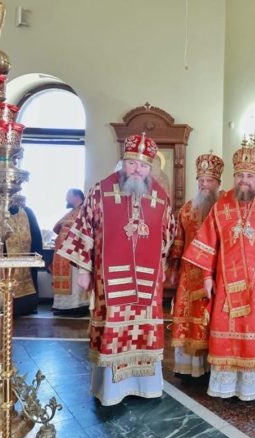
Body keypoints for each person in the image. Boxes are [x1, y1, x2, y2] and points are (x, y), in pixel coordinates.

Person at [56, 133, 176, 406]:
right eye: (133, 163)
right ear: (124, 162)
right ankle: (111, 390)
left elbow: (168, 235)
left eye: (144, 166)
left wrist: (163, 263)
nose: (137, 170)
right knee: (112, 327)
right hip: (108, 279)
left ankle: (146, 386)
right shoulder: (101, 190)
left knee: (144, 329)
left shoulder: (160, 196)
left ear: (150, 168)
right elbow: (84, 227)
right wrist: (84, 269)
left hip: (148, 281)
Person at [182, 140, 255, 401]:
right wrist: (207, 277)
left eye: (249, 176)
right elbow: (208, 242)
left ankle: (253, 387)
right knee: (226, 326)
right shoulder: (222, 205)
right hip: (225, 283)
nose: (244, 180)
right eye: (240, 175)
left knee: (254, 328)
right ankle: (226, 387)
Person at [169, 153, 223, 378]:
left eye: (209, 180)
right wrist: (173, 268)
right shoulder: (186, 209)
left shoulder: (224, 207)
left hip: (217, 272)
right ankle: (189, 367)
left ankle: (211, 366)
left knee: (213, 318)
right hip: (189, 274)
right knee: (189, 317)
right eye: (201, 180)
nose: (204, 185)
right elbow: (178, 241)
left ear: (218, 183)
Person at [51, 188, 89, 315]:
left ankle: (76, 306)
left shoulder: (85, 210)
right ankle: (63, 306)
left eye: (68, 196)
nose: (66, 199)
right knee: (67, 278)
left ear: (76, 196)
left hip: (76, 252)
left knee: (74, 279)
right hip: (64, 251)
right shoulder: (72, 211)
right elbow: (57, 227)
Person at [6, 195, 43, 317]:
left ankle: (29, 307)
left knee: (30, 279)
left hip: (28, 255)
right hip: (7, 258)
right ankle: (10, 307)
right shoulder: (1, 213)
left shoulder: (28, 212)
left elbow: (36, 233)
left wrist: (38, 254)